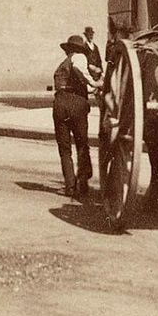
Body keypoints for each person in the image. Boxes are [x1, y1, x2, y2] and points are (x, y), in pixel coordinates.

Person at [53, 34, 103, 198]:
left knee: (64, 148)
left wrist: (92, 86)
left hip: (60, 103)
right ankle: (83, 181)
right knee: (82, 144)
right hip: (77, 104)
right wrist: (95, 83)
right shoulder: (79, 57)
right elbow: (79, 70)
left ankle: (70, 186)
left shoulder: (63, 64)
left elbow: (75, 79)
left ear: (68, 49)